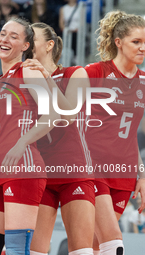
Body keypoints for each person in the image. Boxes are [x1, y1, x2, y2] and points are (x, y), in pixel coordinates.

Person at [0, 17, 58, 255]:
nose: (5, 39)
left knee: (18, 250)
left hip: (24, 169)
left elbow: (53, 115)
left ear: (26, 46)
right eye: (2, 33)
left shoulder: (28, 70)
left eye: (13, 36)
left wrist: (22, 142)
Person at [21, 23, 94, 255]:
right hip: (39, 172)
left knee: (81, 251)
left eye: (31, 37)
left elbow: (69, 114)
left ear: (49, 45)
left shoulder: (76, 73)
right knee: (35, 252)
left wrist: (47, 76)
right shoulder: (22, 76)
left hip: (74, 170)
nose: (26, 42)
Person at [84, 10, 145, 255]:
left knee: (95, 246)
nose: (142, 48)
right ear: (118, 42)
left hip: (124, 173)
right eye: (136, 42)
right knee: (113, 240)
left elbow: (130, 136)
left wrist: (141, 175)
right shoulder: (94, 73)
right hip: (92, 168)